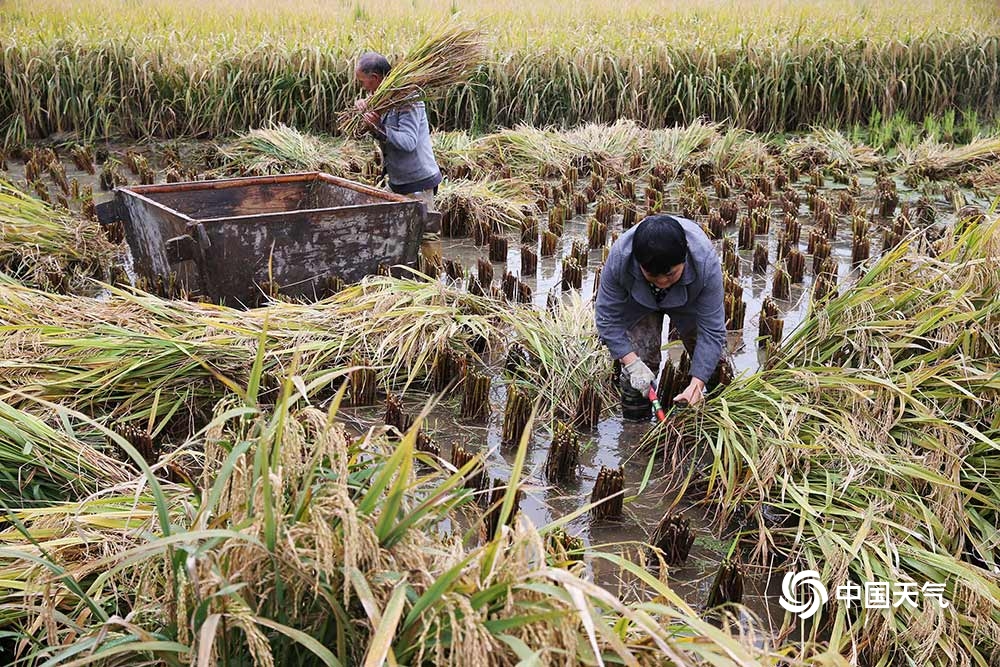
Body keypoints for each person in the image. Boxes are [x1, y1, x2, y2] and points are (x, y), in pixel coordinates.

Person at [595, 214, 726, 417]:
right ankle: (634, 430)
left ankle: (720, 413)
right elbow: (607, 317)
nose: (663, 282)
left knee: (714, 365)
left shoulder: (705, 262)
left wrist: (697, 383)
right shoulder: (621, 257)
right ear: (639, 266)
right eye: (653, 276)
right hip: (639, 302)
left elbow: (712, 330)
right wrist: (632, 363)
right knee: (636, 379)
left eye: (671, 274)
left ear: (684, 260)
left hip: (688, 300)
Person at [353, 52, 442, 209]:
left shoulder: (408, 99)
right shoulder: (380, 100)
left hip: (417, 184)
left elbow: (408, 142)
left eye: (362, 82)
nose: (363, 87)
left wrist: (379, 127)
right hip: (397, 182)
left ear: (374, 78)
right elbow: (364, 132)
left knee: (421, 232)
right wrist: (361, 114)